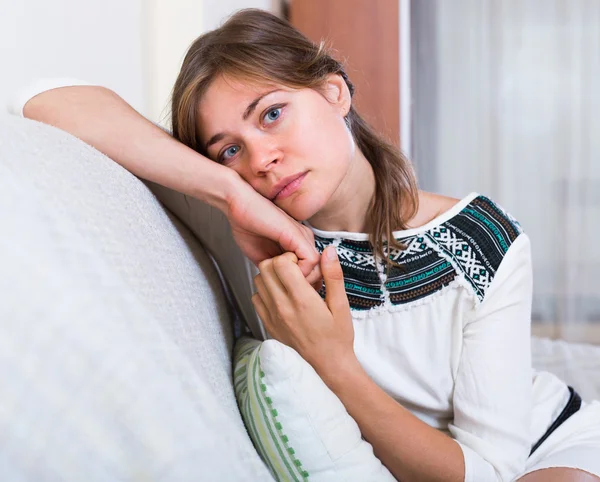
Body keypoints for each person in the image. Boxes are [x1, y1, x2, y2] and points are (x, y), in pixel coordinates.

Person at [13, 8, 600, 482]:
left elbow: (487, 472)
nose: (261, 158)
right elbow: (43, 98)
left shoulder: (486, 242)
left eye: (271, 114)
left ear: (334, 92)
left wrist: (334, 364)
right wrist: (227, 192)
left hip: (547, 437)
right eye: (229, 147)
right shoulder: (248, 219)